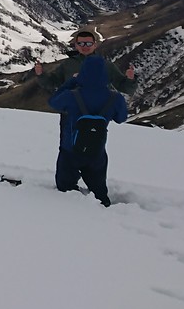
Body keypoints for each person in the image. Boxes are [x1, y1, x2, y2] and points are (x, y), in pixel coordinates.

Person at [48, 55, 128, 206]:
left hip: (69, 150)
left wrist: (72, 81)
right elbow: (121, 118)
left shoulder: (71, 95)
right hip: (97, 150)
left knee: (65, 190)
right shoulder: (115, 98)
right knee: (99, 193)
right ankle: (106, 212)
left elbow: (53, 102)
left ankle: (71, 217)